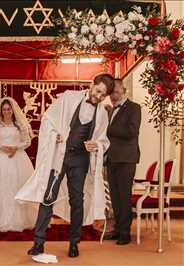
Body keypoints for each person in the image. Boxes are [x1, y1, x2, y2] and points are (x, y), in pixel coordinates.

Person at [16, 73, 115, 257]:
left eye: (103, 95)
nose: (99, 97)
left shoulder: (102, 112)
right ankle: (38, 243)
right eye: (99, 91)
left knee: (77, 201)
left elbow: (104, 140)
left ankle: (74, 243)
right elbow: (48, 119)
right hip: (59, 157)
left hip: (81, 161)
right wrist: (55, 135)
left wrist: (97, 145)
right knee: (48, 197)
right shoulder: (69, 97)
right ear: (91, 84)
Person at [0, 97, 36, 232]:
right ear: (1, 110)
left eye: (9, 109)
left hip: (18, 158)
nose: (7, 111)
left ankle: (21, 219)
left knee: (17, 187)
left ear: (13, 110)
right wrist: (3, 148)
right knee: (2, 188)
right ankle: (1, 219)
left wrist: (15, 148)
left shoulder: (19, 124)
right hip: (1, 159)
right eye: (4, 109)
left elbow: (27, 141)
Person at [105, 79, 141, 245]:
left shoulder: (134, 108)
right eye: (111, 93)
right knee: (115, 197)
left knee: (124, 197)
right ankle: (118, 229)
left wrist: (107, 126)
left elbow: (131, 132)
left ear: (124, 90)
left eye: (116, 92)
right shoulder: (112, 110)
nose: (113, 96)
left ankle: (125, 233)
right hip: (112, 158)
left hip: (126, 159)